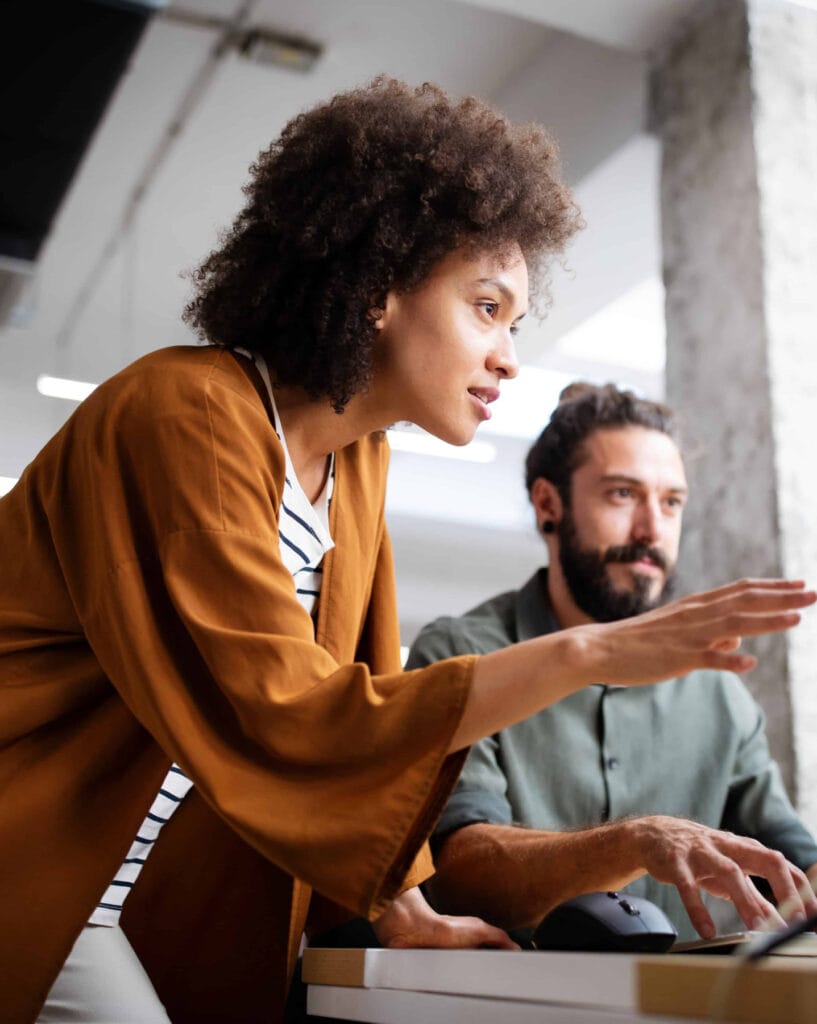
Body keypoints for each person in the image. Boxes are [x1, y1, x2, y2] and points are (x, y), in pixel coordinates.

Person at [0, 80, 813, 1024]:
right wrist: (588, 653)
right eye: (486, 307)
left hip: (111, 891)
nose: (508, 355)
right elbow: (292, 713)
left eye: (514, 321)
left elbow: (362, 709)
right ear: (378, 285)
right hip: (29, 851)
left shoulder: (357, 461)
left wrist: (407, 915)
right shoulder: (186, 414)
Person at [408, 382, 817, 943]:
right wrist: (635, 842)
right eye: (623, 495)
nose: (652, 531)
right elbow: (461, 874)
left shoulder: (717, 689)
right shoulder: (461, 655)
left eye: (671, 502)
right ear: (549, 505)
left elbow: (788, 862)